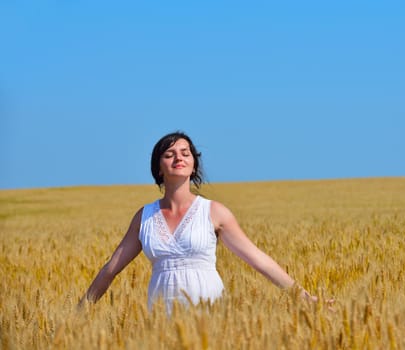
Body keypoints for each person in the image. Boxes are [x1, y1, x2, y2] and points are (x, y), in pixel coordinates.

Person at [80, 131, 318, 314]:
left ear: (194, 164)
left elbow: (258, 260)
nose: (178, 158)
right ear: (158, 168)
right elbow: (111, 269)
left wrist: (305, 297)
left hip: (209, 313)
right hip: (161, 313)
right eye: (169, 154)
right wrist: (78, 313)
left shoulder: (213, 212)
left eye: (185, 153)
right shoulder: (145, 217)